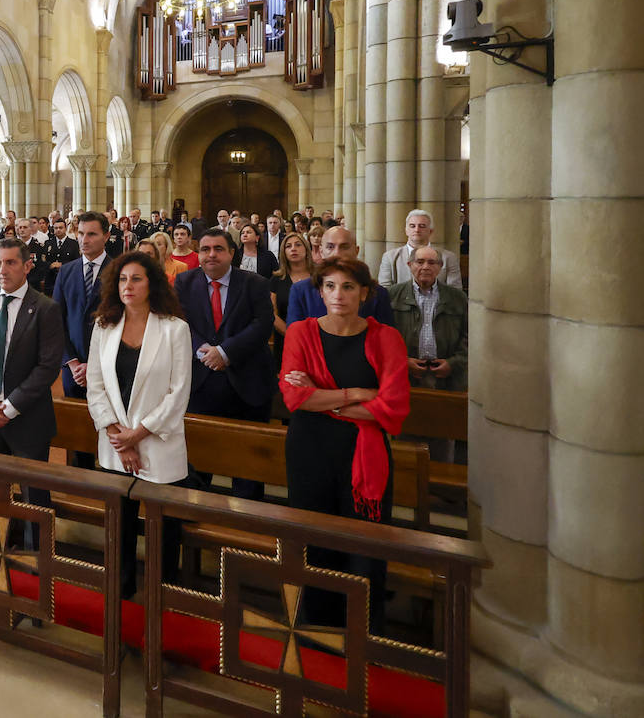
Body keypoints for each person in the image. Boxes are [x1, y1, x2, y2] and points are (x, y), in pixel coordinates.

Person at [279, 257, 410, 632]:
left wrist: (323, 397)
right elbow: (293, 398)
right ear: (319, 292)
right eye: (331, 286)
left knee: (363, 550)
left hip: (363, 456)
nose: (339, 295)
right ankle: (314, 635)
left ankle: (363, 638)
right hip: (309, 450)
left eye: (349, 287)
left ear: (365, 293)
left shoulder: (386, 338)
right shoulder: (301, 333)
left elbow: (393, 409)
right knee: (313, 543)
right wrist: (355, 395)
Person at [86, 252, 192, 598]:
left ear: (152, 284)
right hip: (116, 447)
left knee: (163, 532)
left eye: (136, 279)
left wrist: (138, 434)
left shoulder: (175, 329)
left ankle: (163, 599)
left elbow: (178, 393)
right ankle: (122, 595)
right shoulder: (104, 326)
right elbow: (95, 385)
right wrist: (121, 437)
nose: (127, 286)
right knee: (120, 529)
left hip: (159, 446)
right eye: (122, 279)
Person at [0, 238, 64, 551]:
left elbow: (47, 368)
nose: (2, 270)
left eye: (11, 262)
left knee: (34, 497)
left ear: (27, 265)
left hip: (27, 418)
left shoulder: (45, 308)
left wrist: (10, 407)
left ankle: (35, 566)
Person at [173, 228, 275, 500]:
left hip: (247, 386)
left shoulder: (255, 283)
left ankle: (245, 536)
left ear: (232, 253)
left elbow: (262, 325)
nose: (211, 255)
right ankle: (197, 524)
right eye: (205, 249)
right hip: (200, 384)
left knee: (248, 470)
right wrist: (203, 352)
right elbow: (178, 321)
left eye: (219, 249)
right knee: (197, 467)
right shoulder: (184, 281)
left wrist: (225, 351)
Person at [53, 211, 110, 468]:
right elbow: (57, 320)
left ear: (106, 236)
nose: (84, 239)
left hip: (108, 366)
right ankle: (83, 478)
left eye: (92, 234)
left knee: (109, 425)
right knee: (78, 430)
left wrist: (95, 365)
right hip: (73, 366)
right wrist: (73, 361)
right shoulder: (67, 271)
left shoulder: (119, 271)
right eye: (81, 233)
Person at [389, 246, 469, 391]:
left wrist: (454, 363)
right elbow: (383, 337)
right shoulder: (392, 295)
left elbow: (469, 336)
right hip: (404, 376)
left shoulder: (458, 298)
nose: (425, 267)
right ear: (410, 265)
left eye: (432, 262)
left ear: (440, 267)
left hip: (447, 379)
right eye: (420, 262)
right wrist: (402, 362)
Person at [287, 226, 395, 326]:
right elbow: (295, 336)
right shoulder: (301, 291)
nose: (337, 253)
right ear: (321, 251)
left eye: (344, 247)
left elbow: (385, 339)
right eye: (330, 247)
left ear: (356, 251)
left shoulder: (377, 293)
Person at [378, 209, 463, 289]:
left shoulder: (448, 257)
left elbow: (455, 292)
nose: (417, 230)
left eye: (422, 226)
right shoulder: (390, 257)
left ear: (430, 231)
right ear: (406, 230)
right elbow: (385, 290)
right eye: (412, 226)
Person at [270, 231, 314, 369]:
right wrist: (292, 334)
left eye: (298, 245)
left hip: (316, 339)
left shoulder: (320, 277)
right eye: (288, 246)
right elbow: (272, 314)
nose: (293, 248)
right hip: (286, 339)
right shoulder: (277, 279)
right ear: (284, 253)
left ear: (306, 250)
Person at [44, 217, 78, 296]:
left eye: (60, 228)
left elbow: (76, 261)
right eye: (56, 228)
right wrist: (50, 265)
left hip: (67, 279)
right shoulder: (48, 243)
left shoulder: (73, 244)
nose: (58, 230)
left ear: (65, 228)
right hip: (51, 281)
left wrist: (62, 265)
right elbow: (43, 261)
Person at [14, 217, 48, 293]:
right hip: (17, 283)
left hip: (33, 285)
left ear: (31, 229)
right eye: (20, 227)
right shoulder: (14, 246)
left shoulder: (38, 247)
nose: (22, 230)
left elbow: (42, 266)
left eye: (25, 227)